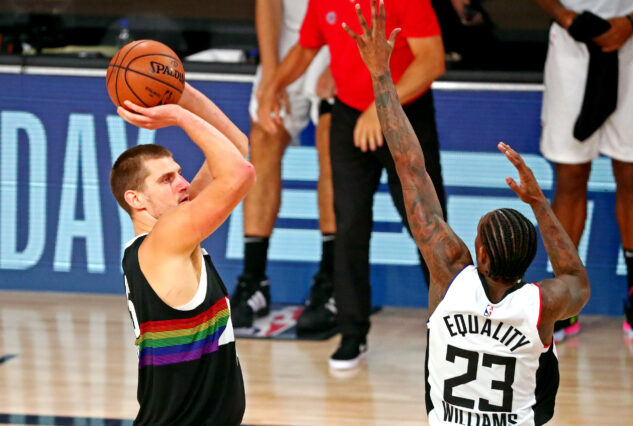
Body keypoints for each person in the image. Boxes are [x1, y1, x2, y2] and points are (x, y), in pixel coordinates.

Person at [344, 1, 590, 423]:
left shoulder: (450, 275)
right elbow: (576, 279)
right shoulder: (541, 304)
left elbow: (411, 169)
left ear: (479, 252)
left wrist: (381, 74)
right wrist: (540, 204)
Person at [258, 0, 447, 369]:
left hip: (405, 113)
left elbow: (431, 60)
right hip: (349, 115)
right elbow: (306, 47)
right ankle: (352, 334)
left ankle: (451, 330)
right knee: (348, 226)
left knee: (429, 227)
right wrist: (273, 85)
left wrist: (382, 107)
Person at [109, 83, 255, 425]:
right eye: (166, 180)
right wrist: (177, 114)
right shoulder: (164, 239)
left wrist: (176, 88)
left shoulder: (169, 235)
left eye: (179, 173)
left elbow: (235, 148)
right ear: (136, 200)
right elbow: (240, 174)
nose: (183, 183)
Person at [536, 0, 633, 341]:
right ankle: (564, 297)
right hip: (572, 45)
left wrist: (632, 21)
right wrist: (566, 17)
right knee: (569, 176)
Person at [231, 0, 338, 333]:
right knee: (264, 136)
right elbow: (269, 5)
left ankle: (332, 282)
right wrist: (271, 75)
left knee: (330, 138)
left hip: (342, 34)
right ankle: (254, 280)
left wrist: (343, 61)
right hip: (291, 39)